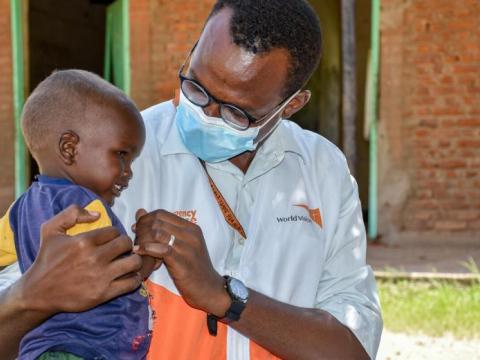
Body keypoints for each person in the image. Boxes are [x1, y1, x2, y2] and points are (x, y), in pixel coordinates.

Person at [0, 1, 382, 359]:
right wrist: (29, 297)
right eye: (196, 86)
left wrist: (224, 296)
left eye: (236, 112)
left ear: (291, 105)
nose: (205, 113)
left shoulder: (322, 169)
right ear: (194, 49)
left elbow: (351, 347)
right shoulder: (113, 156)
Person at [0, 70, 152, 359]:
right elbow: (122, 274)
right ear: (69, 148)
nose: (128, 172)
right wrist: (147, 252)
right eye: (121, 155)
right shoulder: (86, 208)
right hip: (88, 347)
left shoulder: (20, 208)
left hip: (37, 347)